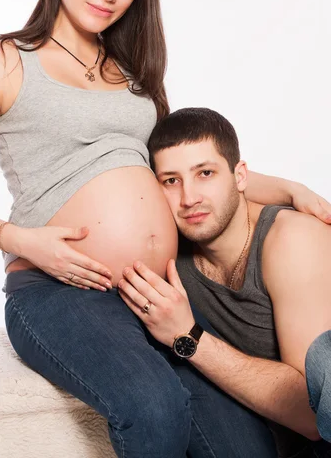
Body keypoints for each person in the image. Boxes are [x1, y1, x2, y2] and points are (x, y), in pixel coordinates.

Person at [0, 0, 330, 457]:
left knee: (245, 445)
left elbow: (176, 172)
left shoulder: (133, 74)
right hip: (59, 289)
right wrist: (18, 239)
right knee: (153, 407)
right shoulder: (4, 61)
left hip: (156, 294)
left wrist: (288, 189)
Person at [118, 107, 331, 457]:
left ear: (241, 175)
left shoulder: (293, 241)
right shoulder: (172, 243)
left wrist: (187, 336)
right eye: (171, 181)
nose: (189, 199)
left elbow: (315, 416)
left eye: (205, 173)